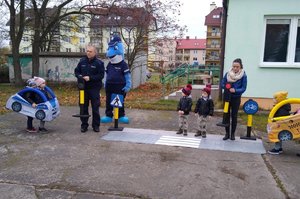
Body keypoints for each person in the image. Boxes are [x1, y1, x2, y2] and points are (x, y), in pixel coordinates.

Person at [100, 35, 131, 124]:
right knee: (108, 101)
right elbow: (107, 74)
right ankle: (109, 115)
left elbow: (127, 75)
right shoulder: (109, 64)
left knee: (120, 101)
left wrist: (128, 85)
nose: (109, 53)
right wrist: (105, 83)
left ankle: (121, 115)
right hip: (110, 86)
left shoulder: (123, 64)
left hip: (120, 87)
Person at [74, 45, 105, 133]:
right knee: (83, 107)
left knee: (95, 107)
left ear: (95, 52)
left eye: (90, 51)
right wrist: (80, 76)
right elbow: (76, 71)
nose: (88, 53)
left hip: (94, 88)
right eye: (87, 51)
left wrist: (90, 78)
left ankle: (96, 125)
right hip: (83, 89)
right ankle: (84, 125)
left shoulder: (99, 63)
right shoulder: (82, 61)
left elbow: (101, 75)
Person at [221, 58, 247, 140]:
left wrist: (235, 90)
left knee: (234, 116)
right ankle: (227, 133)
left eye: (237, 67)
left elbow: (243, 88)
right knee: (226, 115)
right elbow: (222, 83)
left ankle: (232, 134)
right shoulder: (227, 74)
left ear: (240, 67)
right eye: (234, 66)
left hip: (236, 98)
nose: (235, 68)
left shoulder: (243, 75)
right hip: (227, 97)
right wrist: (226, 87)